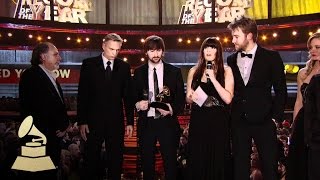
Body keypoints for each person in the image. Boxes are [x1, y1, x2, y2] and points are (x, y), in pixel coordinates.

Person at [226, 16, 287, 180]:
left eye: (236, 36)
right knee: (239, 166)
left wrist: (275, 119)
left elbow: (281, 90)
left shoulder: (271, 57)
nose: (233, 40)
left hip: (265, 121)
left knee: (269, 166)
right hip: (239, 121)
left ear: (250, 36)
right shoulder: (230, 60)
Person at [77, 33, 134, 180]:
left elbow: (128, 97)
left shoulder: (124, 67)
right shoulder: (88, 64)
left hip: (116, 123)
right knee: (91, 160)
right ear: (103, 46)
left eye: (117, 50)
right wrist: (82, 121)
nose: (114, 53)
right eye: (111, 49)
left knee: (115, 161)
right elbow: (83, 94)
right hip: (92, 122)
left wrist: (129, 122)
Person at [133, 35, 185, 180]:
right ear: (146, 52)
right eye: (151, 51)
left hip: (167, 123)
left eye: (158, 50)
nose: (155, 54)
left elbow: (181, 100)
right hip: (146, 123)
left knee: (170, 164)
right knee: (147, 164)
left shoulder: (175, 72)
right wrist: (137, 104)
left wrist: (171, 108)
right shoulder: (138, 72)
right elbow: (132, 97)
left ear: (163, 51)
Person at [19, 42, 70, 179]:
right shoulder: (31, 75)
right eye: (55, 54)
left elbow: (57, 105)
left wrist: (64, 125)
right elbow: (40, 107)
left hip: (51, 140)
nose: (59, 58)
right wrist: (61, 124)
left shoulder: (49, 76)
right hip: (40, 141)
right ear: (43, 57)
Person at [185, 37, 234, 179]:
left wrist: (212, 78)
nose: (209, 50)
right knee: (198, 157)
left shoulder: (226, 71)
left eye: (212, 47)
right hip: (199, 120)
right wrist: (189, 96)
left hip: (218, 122)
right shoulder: (193, 71)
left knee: (217, 158)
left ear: (218, 51)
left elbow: (228, 98)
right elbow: (188, 99)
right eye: (206, 47)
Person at [287, 32, 320, 180]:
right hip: (303, 124)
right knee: (300, 164)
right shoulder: (303, 73)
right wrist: (294, 128)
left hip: (318, 123)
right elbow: (299, 101)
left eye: (318, 47)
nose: (313, 50)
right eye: (311, 47)